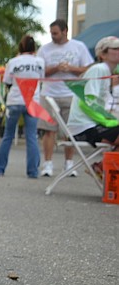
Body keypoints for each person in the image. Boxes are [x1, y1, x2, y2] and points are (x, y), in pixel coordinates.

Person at [36, 19, 94, 177]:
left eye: (55, 33)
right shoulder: (44, 49)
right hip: (49, 94)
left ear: (65, 31)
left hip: (71, 94)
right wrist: (56, 68)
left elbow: (88, 69)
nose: (53, 36)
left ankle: (69, 163)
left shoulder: (78, 46)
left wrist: (70, 68)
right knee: (49, 131)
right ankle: (48, 164)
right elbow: (40, 72)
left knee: (70, 131)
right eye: (51, 33)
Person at [66, 36, 119, 175]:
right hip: (83, 127)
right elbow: (87, 103)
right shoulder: (99, 69)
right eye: (115, 48)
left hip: (90, 124)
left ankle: (102, 167)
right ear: (103, 54)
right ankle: (102, 167)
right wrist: (109, 121)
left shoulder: (107, 71)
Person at [0, 34, 43, 178]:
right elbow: (42, 78)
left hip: (15, 100)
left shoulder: (13, 62)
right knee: (32, 137)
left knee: (8, 136)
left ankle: (0, 169)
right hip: (32, 101)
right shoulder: (40, 62)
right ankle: (32, 171)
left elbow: (7, 82)